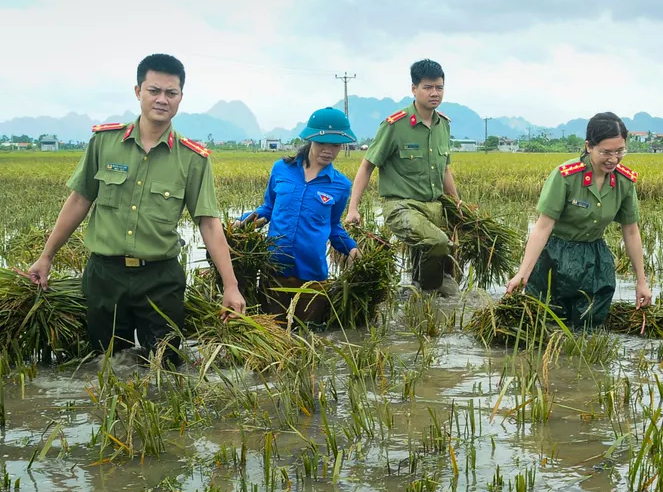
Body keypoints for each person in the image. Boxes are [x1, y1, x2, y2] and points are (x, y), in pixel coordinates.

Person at [27, 53, 247, 365]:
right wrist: (46, 257)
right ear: (138, 92)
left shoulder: (193, 158)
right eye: (153, 90)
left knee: (166, 367)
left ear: (181, 97)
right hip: (105, 276)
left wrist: (231, 286)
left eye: (171, 93)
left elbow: (209, 224)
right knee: (107, 365)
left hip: (160, 279)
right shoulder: (104, 142)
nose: (162, 100)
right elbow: (79, 200)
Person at [505, 112, 652, 329]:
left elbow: (630, 231)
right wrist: (522, 273)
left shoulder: (624, 181)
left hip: (595, 259)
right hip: (554, 257)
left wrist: (641, 282)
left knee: (589, 328)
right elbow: (543, 227)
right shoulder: (566, 176)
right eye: (606, 152)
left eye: (620, 151)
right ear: (589, 146)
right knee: (546, 326)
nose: (613, 159)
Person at [345, 59, 461, 296]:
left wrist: (459, 206)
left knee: (445, 252)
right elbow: (367, 166)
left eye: (439, 87)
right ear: (414, 89)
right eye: (428, 87)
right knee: (437, 242)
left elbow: (445, 170)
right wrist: (353, 208)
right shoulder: (395, 125)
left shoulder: (443, 125)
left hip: (433, 207)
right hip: (401, 207)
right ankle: (427, 292)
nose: (434, 93)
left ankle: (420, 290)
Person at [236, 107, 359, 322]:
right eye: (322, 143)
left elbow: (333, 226)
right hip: (275, 270)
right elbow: (268, 209)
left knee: (309, 337)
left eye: (335, 145)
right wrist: (243, 223)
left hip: (313, 278)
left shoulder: (340, 185)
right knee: (273, 333)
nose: (328, 150)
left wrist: (352, 248)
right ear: (311, 139)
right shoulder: (281, 169)